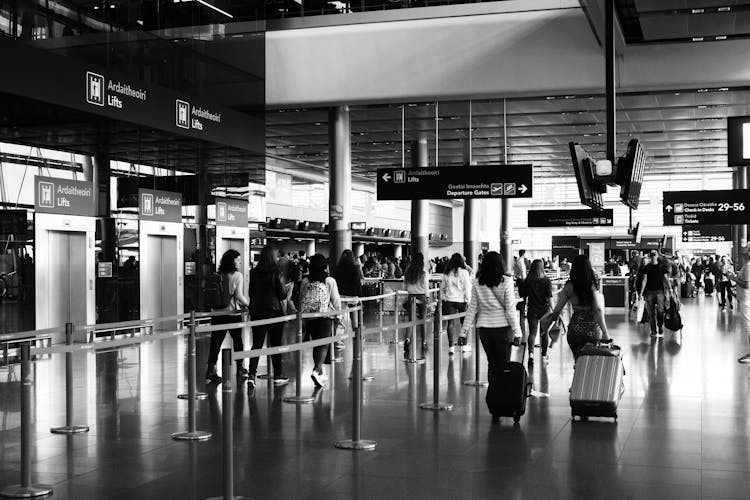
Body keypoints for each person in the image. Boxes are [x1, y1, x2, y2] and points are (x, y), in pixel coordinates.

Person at [460, 251, 523, 383]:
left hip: (484, 329)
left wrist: (463, 333)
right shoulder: (507, 281)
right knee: (503, 364)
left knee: (491, 363)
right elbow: (510, 310)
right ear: (501, 264)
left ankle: (493, 395)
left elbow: (472, 309)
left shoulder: (477, 282)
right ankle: (501, 396)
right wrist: (518, 332)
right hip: (503, 329)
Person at [546, 255, 610, 359]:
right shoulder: (591, 286)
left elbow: (557, 309)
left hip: (575, 331)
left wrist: (550, 321)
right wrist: (605, 332)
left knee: (578, 362)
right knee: (591, 364)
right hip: (592, 331)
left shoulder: (568, 287)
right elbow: (597, 310)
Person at [246, 245, 289, 389]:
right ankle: (278, 375)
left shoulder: (254, 272)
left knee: (257, 344)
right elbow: (282, 295)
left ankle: (252, 375)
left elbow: (251, 292)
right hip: (274, 313)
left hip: (257, 312)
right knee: (275, 344)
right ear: (272, 256)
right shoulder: (277, 272)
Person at [205, 249, 250, 384]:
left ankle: (210, 371)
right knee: (237, 340)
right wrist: (248, 304)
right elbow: (238, 296)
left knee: (215, 343)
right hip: (231, 313)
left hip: (217, 314)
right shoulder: (237, 275)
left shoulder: (218, 274)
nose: (240, 261)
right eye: (237, 259)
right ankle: (240, 367)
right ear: (232, 261)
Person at [300, 254, 342, 387]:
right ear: (325, 266)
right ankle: (317, 370)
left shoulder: (305, 280)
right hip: (325, 316)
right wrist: (339, 315)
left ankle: (319, 370)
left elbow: (301, 298)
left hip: (310, 317)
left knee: (316, 344)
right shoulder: (330, 280)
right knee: (324, 345)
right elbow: (336, 300)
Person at [520, 259, 553, 366]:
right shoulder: (547, 281)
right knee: (544, 333)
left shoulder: (528, 280)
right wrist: (555, 310)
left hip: (532, 309)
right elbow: (549, 298)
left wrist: (523, 308)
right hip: (544, 310)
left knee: (532, 333)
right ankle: (544, 356)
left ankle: (531, 354)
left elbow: (523, 296)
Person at [440, 253, 472, 355]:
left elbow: (442, 288)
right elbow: (467, 288)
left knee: (451, 324)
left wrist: (443, 298)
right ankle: (464, 345)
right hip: (462, 301)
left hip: (450, 300)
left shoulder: (447, 273)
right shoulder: (465, 272)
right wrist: (469, 300)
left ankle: (451, 347)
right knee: (464, 323)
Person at [637, 250, 672, 338]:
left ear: (657, 256)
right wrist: (641, 292)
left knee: (660, 311)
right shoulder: (647, 267)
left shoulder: (661, 266)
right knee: (651, 313)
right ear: (650, 256)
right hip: (649, 292)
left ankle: (660, 326)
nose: (653, 256)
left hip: (660, 291)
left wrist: (670, 289)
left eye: (654, 255)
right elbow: (644, 280)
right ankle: (653, 331)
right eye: (651, 255)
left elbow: (666, 278)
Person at [403, 252, 430, 358]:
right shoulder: (424, 273)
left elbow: (405, 287)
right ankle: (424, 342)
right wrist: (427, 297)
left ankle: (407, 339)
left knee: (411, 320)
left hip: (411, 297)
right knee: (423, 320)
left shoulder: (407, 272)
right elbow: (426, 286)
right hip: (421, 297)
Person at [730, 248, 750, 363]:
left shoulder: (748, 266)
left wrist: (733, 278)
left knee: (749, 328)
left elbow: (746, 284)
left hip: (747, 299)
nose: (744, 250)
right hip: (747, 299)